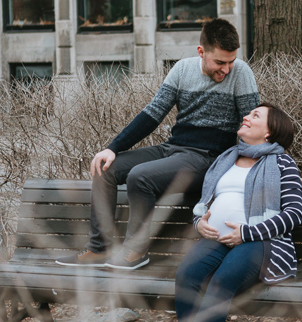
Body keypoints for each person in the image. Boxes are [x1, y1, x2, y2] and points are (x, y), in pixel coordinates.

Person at [56, 19, 260, 270]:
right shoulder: (183, 70)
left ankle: (135, 252)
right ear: (201, 52)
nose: (226, 69)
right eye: (219, 62)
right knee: (105, 169)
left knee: (141, 176)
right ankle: (99, 249)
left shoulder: (241, 73)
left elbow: (255, 127)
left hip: (207, 158)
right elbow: (153, 114)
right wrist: (112, 148)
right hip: (174, 149)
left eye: (231, 61)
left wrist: (274, 165)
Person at [174, 103, 302, 322]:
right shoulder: (227, 158)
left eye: (255, 115)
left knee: (222, 281)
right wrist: (198, 222)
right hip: (217, 239)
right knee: (186, 275)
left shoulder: (282, 163)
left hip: (262, 241)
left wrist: (247, 232)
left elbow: (293, 214)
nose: (246, 116)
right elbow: (204, 203)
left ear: (270, 131)